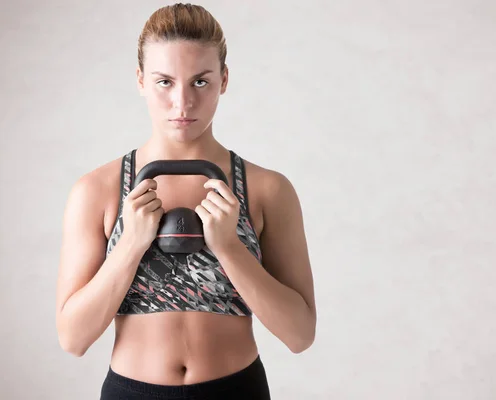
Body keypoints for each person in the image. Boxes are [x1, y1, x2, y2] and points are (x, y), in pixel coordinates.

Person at [55, 3, 317, 399]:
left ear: (224, 80)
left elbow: (300, 335)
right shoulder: (98, 190)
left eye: (200, 82)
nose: (182, 103)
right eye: (164, 82)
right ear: (140, 80)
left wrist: (230, 247)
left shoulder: (267, 189)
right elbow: (72, 339)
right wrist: (130, 244)